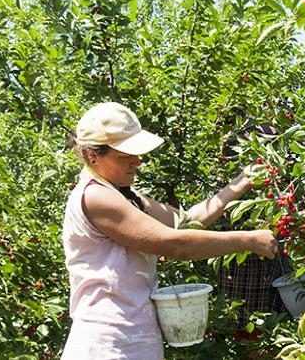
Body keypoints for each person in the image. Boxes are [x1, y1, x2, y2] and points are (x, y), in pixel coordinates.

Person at [61, 101, 278, 360]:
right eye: (125, 156)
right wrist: (248, 239)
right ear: (92, 155)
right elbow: (175, 244)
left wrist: (242, 182)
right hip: (106, 343)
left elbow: (187, 222)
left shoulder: (124, 196)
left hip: (133, 338)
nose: (137, 161)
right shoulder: (96, 197)